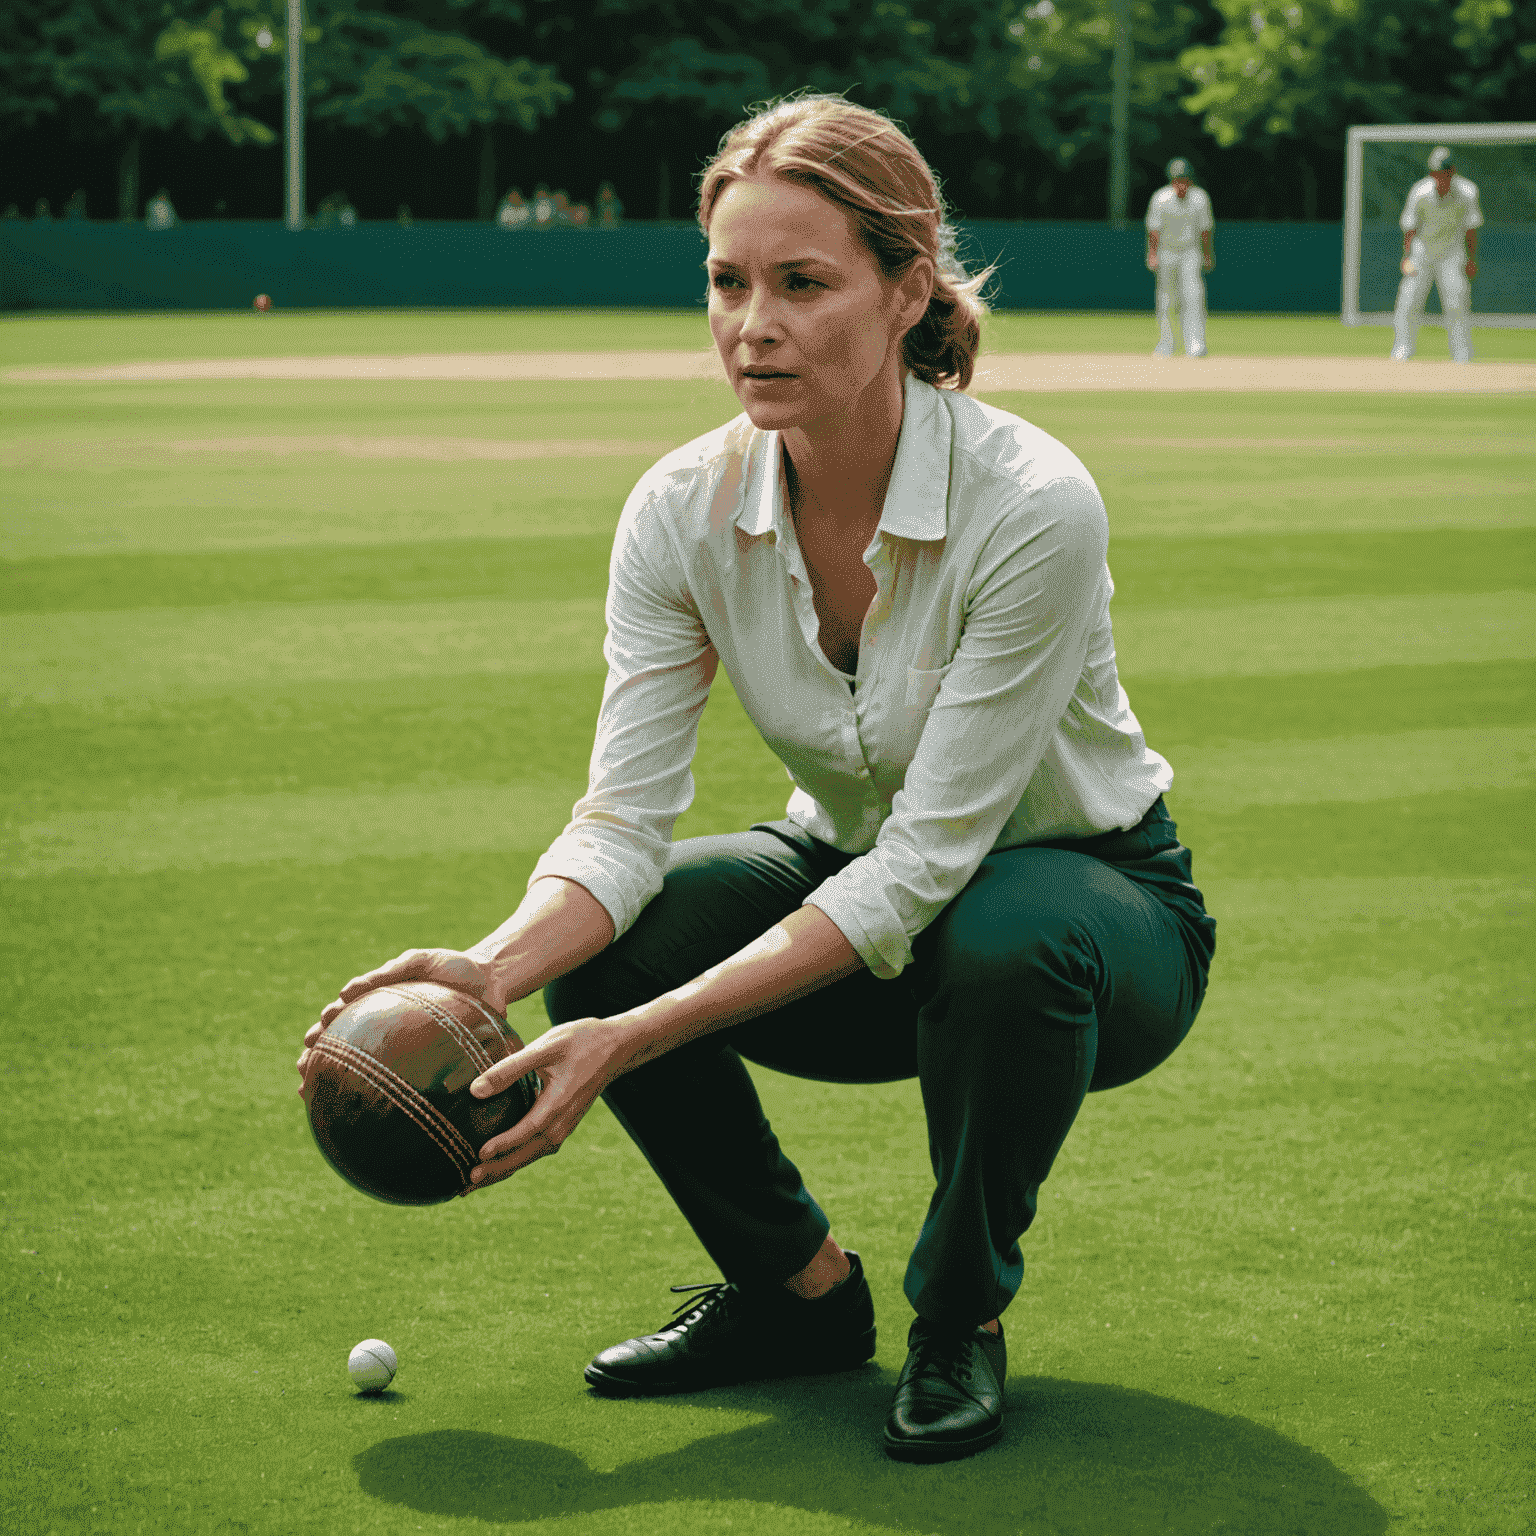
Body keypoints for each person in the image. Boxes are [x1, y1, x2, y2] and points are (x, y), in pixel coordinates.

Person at [298, 94, 1215, 1465]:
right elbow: (618, 825)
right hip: (858, 888)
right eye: (727, 282)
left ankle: (958, 1318)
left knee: (1001, 931)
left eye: (802, 283)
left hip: (1092, 933)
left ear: (910, 291)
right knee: (622, 935)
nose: (752, 324)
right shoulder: (679, 506)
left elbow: (927, 871)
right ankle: (797, 1297)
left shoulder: (1033, 501)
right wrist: (489, 971)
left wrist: (634, 1041)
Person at [1391, 146, 1482, 365]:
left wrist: (1471, 259)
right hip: (1423, 252)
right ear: (1432, 174)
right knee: (1409, 299)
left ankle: (1462, 354)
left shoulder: (1467, 192)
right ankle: (1402, 349)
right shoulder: (1420, 192)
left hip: (1452, 252)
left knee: (1457, 300)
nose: (1442, 177)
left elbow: (1470, 229)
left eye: (1446, 172)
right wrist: (1407, 257)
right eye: (1437, 172)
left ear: (1453, 171)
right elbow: (1411, 228)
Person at [1144, 158, 1214, 357]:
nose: (1180, 184)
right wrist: (1152, 254)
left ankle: (1196, 345)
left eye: (1184, 180)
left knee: (1193, 296)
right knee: (1166, 299)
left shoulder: (1200, 199)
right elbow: (1154, 230)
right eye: (1177, 180)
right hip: (1167, 251)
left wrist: (1207, 254)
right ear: (1171, 181)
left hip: (1190, 251)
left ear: (1190, 181)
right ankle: (1166, 344)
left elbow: (1205, 230)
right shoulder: (1161, 198)